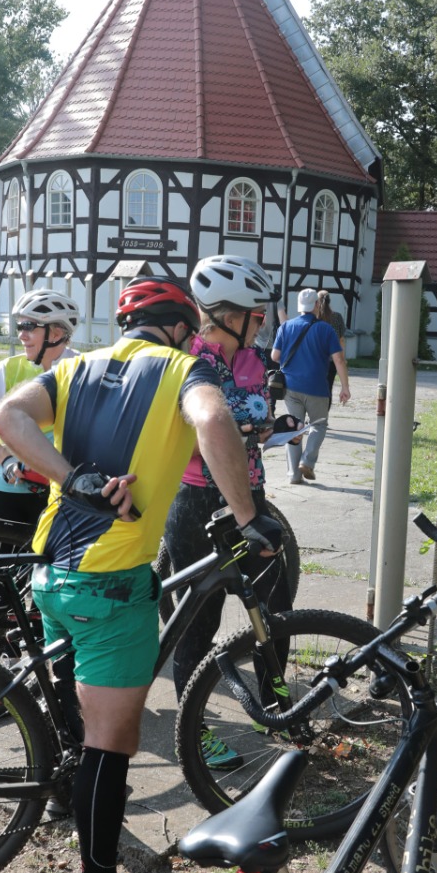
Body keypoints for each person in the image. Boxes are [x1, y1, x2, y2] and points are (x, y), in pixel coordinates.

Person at [0, 276, 282, 873]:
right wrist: (248, 516)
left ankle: (69, 802)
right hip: (111, 584)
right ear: (180, 326)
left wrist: (72, 480)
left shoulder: (77, 366)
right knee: (110, 744)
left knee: (78, 721)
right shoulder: (183, 369)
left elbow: (4, 417)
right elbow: (215, 418)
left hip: (52, 571)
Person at [164, 255, 295, 768]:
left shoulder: (252, 359)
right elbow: (192, 434)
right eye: (256, 315)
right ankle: (193, 732)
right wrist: (233, 435)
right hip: (197, 500)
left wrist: (263, 429)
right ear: (225, 314)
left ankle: (279, 705)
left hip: (249, 494)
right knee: (198, 620)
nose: (263, 323)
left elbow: (251, 413)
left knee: (274, 603)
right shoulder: (188, 362)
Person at [0, 288, 80, 526]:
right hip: (6, 487)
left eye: (29, 326)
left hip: (61, 490)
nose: (21, 335)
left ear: (57, 331)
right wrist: (5, 459)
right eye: (19, 327)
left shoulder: (82, 369)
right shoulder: (8, 368)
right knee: (6, 563)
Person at [272, 288, 351, 484]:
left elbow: (275, 356)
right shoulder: (326, 329)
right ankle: (307, 461)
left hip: (290, 388)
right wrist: (345, 387)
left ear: (299, 306)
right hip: (317, 388)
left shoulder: (286, 327)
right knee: (319, 425)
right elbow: (339, 359)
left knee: (294, 429)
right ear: (316, 305)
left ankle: (294, 475)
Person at [315, 290, 347, 407]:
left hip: (316, 359)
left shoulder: (315, 318)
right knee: (328, 387)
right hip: (332, 360)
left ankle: (311, 416)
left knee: (314, 388)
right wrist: (342, 358)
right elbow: (341, 339)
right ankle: (322, 417)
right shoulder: (337, 317)